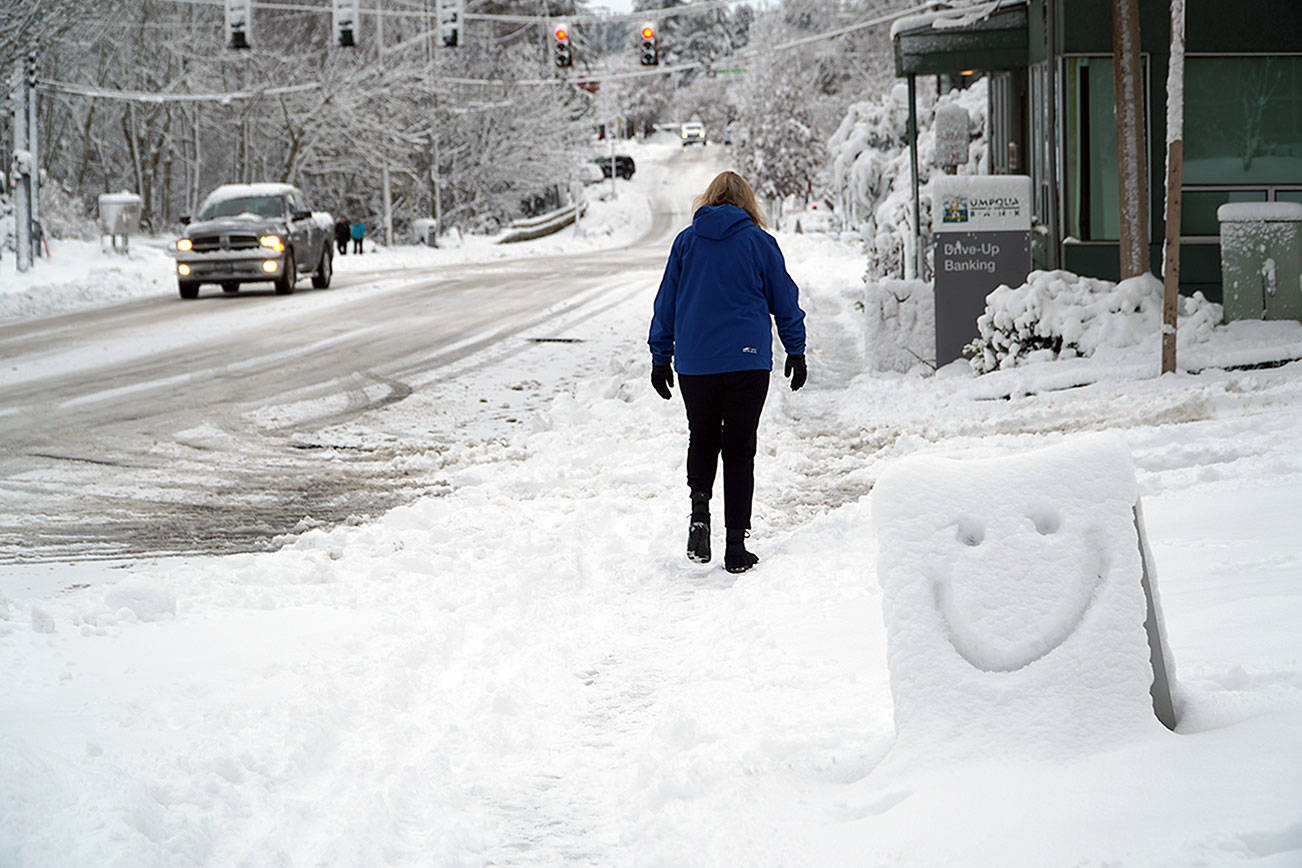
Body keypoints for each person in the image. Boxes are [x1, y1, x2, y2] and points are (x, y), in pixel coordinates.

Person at [647, 171, 806, 574]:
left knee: (701, 437)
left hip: (696, 364)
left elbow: (666, 301)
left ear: (709, 198)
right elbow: (784, 299)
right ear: (747, 203)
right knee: (739, 448)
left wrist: (660, 356)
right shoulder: (759, 243)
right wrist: (796, 349)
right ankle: (736, 547)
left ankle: (700, 511)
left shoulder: (686, 242)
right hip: (747, 361)